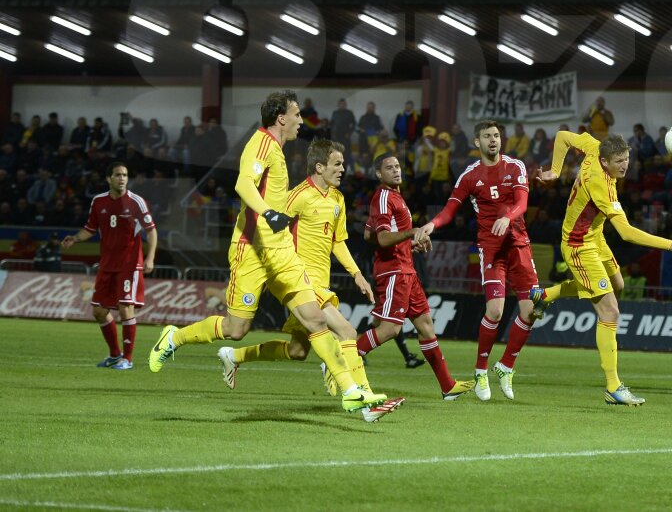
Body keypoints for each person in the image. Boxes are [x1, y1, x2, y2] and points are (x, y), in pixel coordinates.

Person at [146, 91, 386, 416]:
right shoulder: (259, 144)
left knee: (314, 318)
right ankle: (174, 337)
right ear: (281, 118)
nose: (302, 120)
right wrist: (268, 213)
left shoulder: (278, 150)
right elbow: (244, 185)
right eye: (297, 114)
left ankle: (350, 390)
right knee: (236, 329)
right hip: (251, 251)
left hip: (283, 251)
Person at [215, 139, 401, 422]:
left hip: (319, 283)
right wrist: (264, 270)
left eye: (342, 164)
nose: (343, 169)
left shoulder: (337, 199)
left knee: (298, 351)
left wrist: (357, 274)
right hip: (300, 280)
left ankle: (234, 357)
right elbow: (269, 227)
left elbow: (338, 242)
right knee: (348, 333)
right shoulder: (298, 196)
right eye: (337, 164)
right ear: (319, 167)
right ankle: (365, 401)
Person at [530, 130, 672, 405]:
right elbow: (627, 233)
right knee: (610, 310)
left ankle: (546, 295)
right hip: (578, 246)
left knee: (618, 285)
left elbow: (562, 136)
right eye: (619, 161)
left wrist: (555, 171)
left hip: (595, 237)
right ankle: (613, 387)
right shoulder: (601, 185)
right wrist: (670, 244)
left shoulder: (595, 147)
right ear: (605, 162)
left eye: (627, 159)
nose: (625, 165)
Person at [416, 120, 536, 401]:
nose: (493, 140)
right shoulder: (469, 176)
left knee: (531, 312)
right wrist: (432, 225)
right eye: (487, 136)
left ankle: (505, 366)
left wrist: (508, 217)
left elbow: (523, 203)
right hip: (492, 250)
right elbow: (449, 209)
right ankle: (481, 369)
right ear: (477, 143)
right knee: (494, 311)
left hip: (519, 246)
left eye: (496, 135)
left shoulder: (516, 166)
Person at [355, 154, 475, 401]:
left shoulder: (393, 197)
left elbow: (370, 234)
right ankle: (339, 361)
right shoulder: (385, 196)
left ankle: (447, 386)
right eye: (389, 167)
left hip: (406, 270)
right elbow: (384, 238)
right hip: (393, 272)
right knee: (389, 329)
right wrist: (412, 233)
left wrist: (410, 243)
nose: (396, 170)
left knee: (426, 327)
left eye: (397, 166)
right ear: (379, 174)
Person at [61, 162, 157, 371]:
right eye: (117, 175)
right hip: (107, 264)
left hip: (129, 264)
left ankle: (128, 359)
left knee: (125, 308)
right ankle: (115, 355)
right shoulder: (98, 202)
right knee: (99, 311)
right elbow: (90, 228)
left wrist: (150, 258)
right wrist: (75, 239)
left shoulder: (136, 202)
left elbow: (151, 231)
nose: (122, 178)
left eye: (124, 175)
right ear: (108, 179)